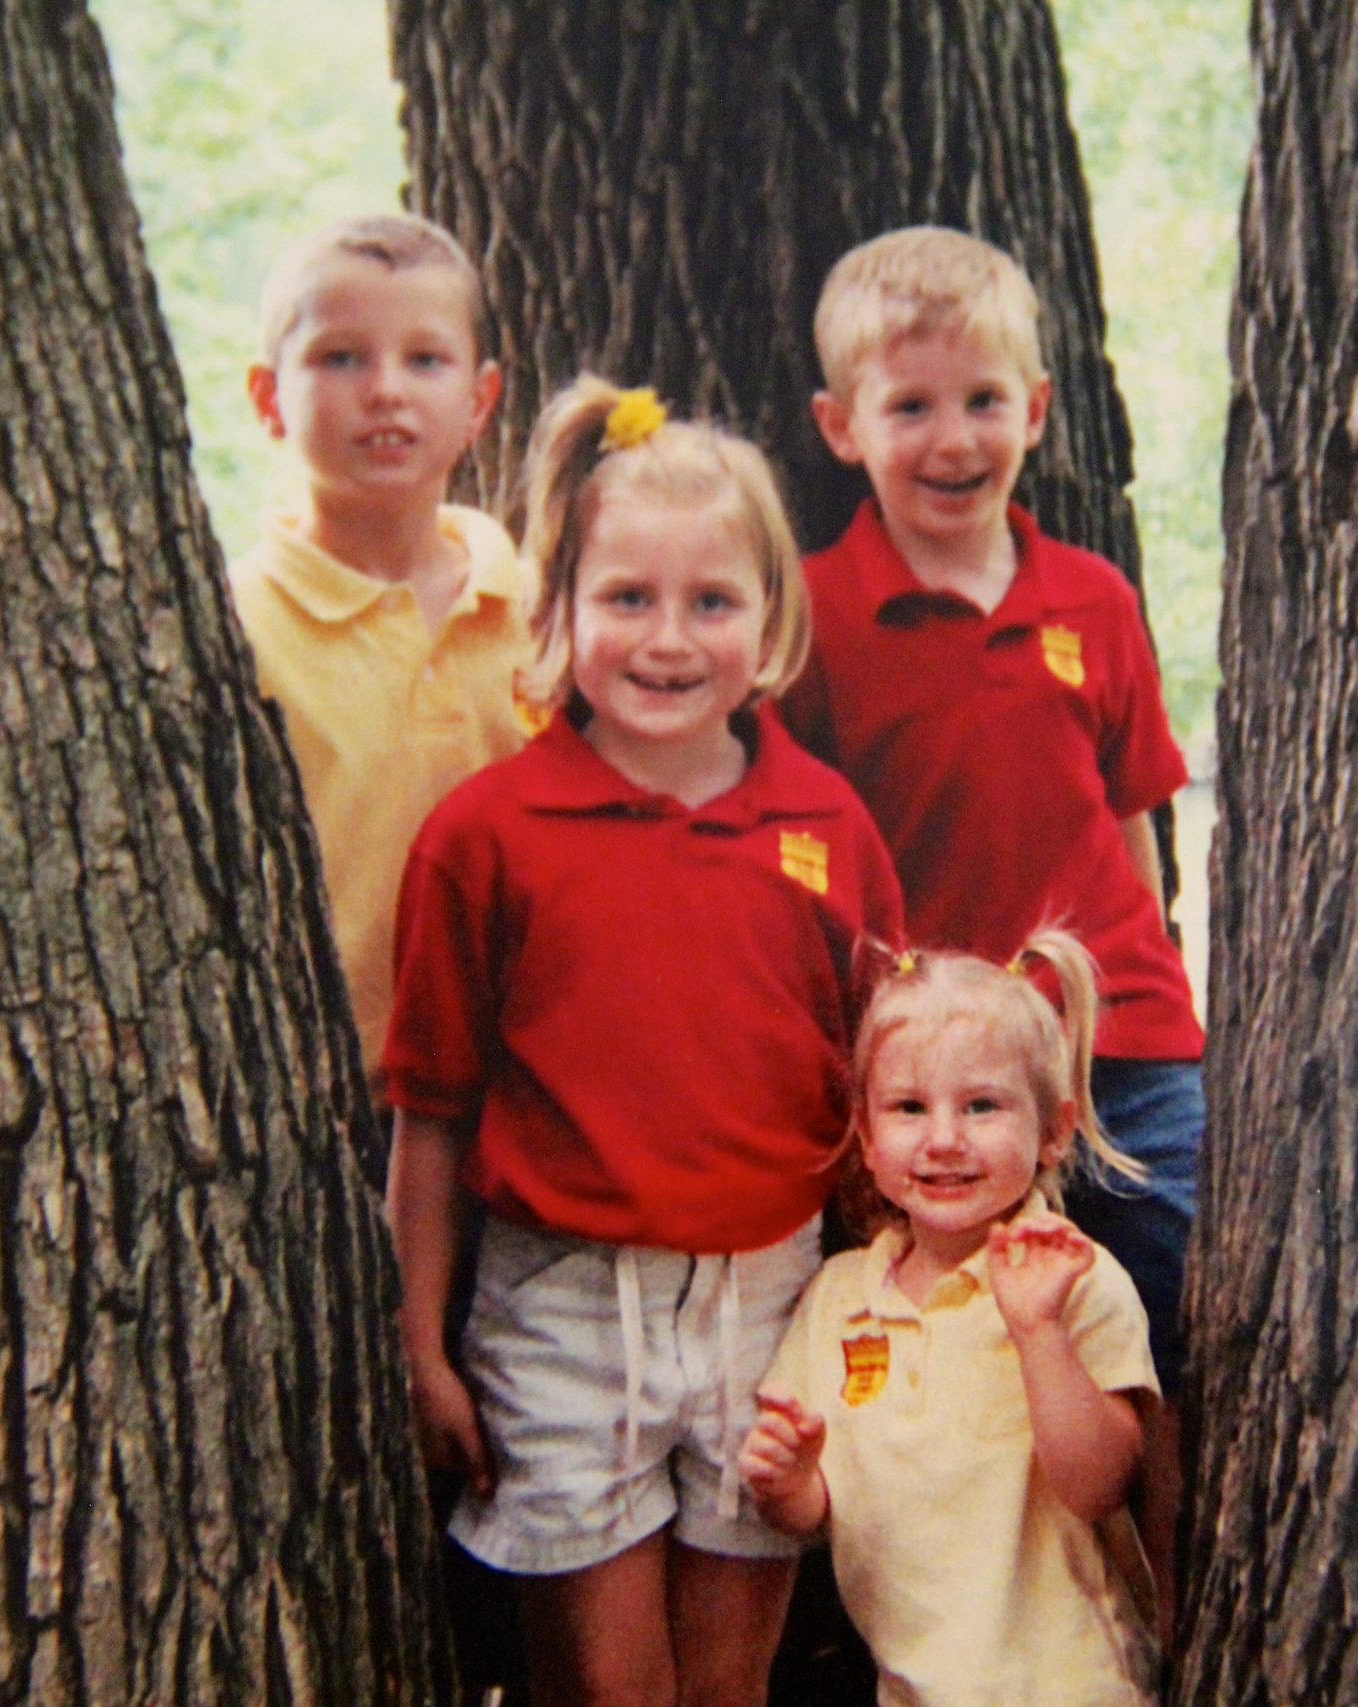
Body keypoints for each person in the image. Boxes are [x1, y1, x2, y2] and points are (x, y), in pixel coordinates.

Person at [383, 377, 905, 1707]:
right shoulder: (488, 836)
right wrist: (419, 1336)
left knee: (730, 1688)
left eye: (713, 602)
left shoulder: (829, 826)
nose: (669, 639)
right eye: (627, 598)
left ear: (771, 615)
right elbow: (432, 1107)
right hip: (561, 1301)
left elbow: (881, 1095)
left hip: (771, 1298)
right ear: (556, 607)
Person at [783, 225, 1205, 1592]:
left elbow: (1136, 824)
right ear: (842, 426)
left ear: (1033, 408)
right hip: (942, 1073)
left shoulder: (1093, 596)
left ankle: (1182, 1617)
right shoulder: (815, 612)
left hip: (1123, 1046)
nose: (951, 437)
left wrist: (1149, 988)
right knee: (963, 1346)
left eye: (982, 401)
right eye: (909, 406)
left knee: (1167, 1320)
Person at [741, 933, 1158, 1707]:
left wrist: (1040, 1333)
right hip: (912, 1687)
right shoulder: (839, 1295)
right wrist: (788, 1483)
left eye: (982, 1105)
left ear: (1056, 1129)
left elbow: (1100, 1485)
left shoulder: (1075, 1278)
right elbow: (822, 1511)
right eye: (908, 1107)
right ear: (867, 1136)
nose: (943, 1139)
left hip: (1066, 1685)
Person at [229, 213, 526, 1102]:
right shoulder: (238, 624)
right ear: (269, 400)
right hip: (337, 1087)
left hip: (533, 1072)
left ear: (479, 401)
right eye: (341, 358)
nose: (385, 390)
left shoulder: (544, 604)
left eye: (424, 359)